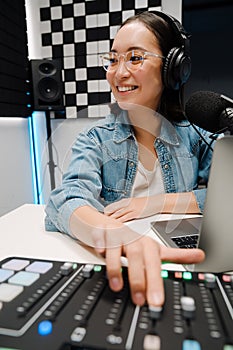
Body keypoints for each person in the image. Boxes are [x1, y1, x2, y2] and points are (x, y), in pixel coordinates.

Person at [45, 11, 214, 308]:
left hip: (183, 269)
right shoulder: (95, 139)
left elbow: (224, 196)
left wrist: (153, 203)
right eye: (113, 59)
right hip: (122, 273)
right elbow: (66, 198)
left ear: (173, 69)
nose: (118, 72)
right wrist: (116, 235)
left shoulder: (196, 136)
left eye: (135, 58)